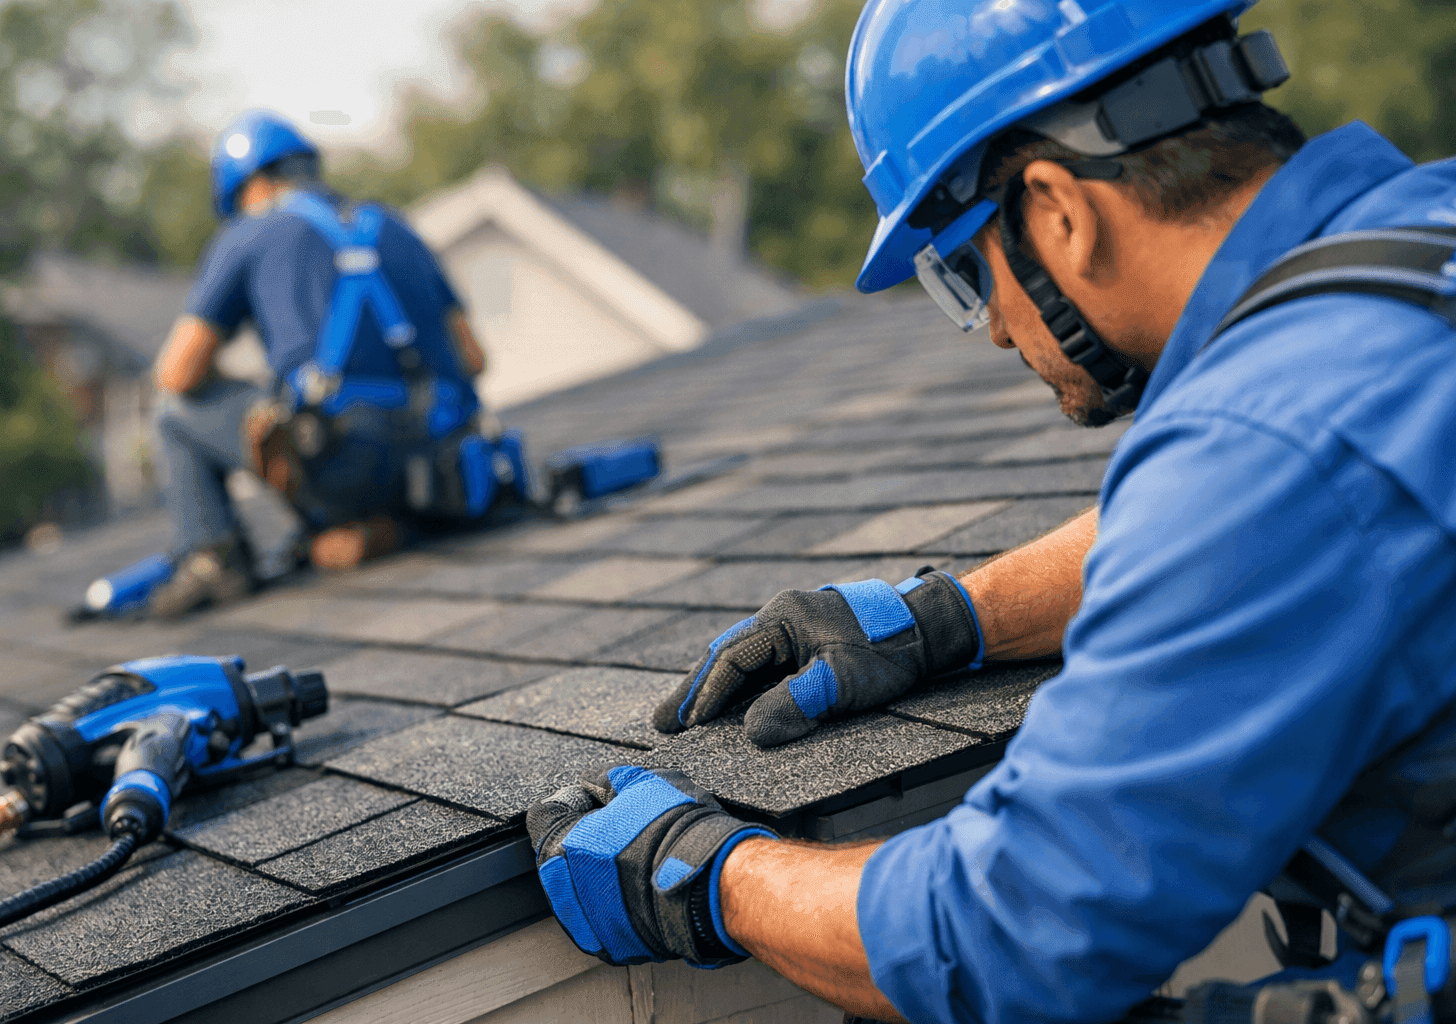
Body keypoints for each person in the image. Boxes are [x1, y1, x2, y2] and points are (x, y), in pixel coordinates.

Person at [524, 2, 1456, 1022]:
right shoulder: (1408, 255)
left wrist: (708, 873)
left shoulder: (1264, 451)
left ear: (1059, 210)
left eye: (965, 273)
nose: (997, 334)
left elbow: (1004, 934)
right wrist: (949, 617)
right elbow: (1328, 524)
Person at [148, 110, 488, 617]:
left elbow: (177, 374)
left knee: (173, 411)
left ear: (251, 186)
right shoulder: (391, 224)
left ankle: (213, 560)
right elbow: (473, 357)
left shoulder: (248, 233)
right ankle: (384, 524)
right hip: (444, 463)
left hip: (345, 462)